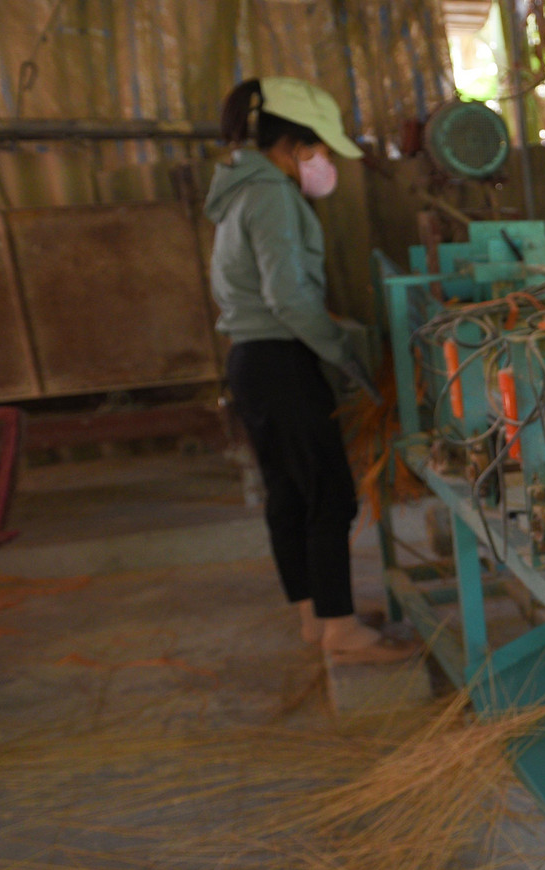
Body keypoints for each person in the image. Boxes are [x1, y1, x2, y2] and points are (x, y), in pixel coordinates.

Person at [206, 76, 413, 664]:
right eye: (319, 150)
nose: (324, 163)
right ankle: (342, 629)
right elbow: (290, 298)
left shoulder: (240, 191)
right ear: (293, 146)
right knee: (331, 495)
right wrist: (345, 352)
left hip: (252, 360)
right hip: (280, 359)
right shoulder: (270, 195)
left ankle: (317, 616)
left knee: (289, 495)